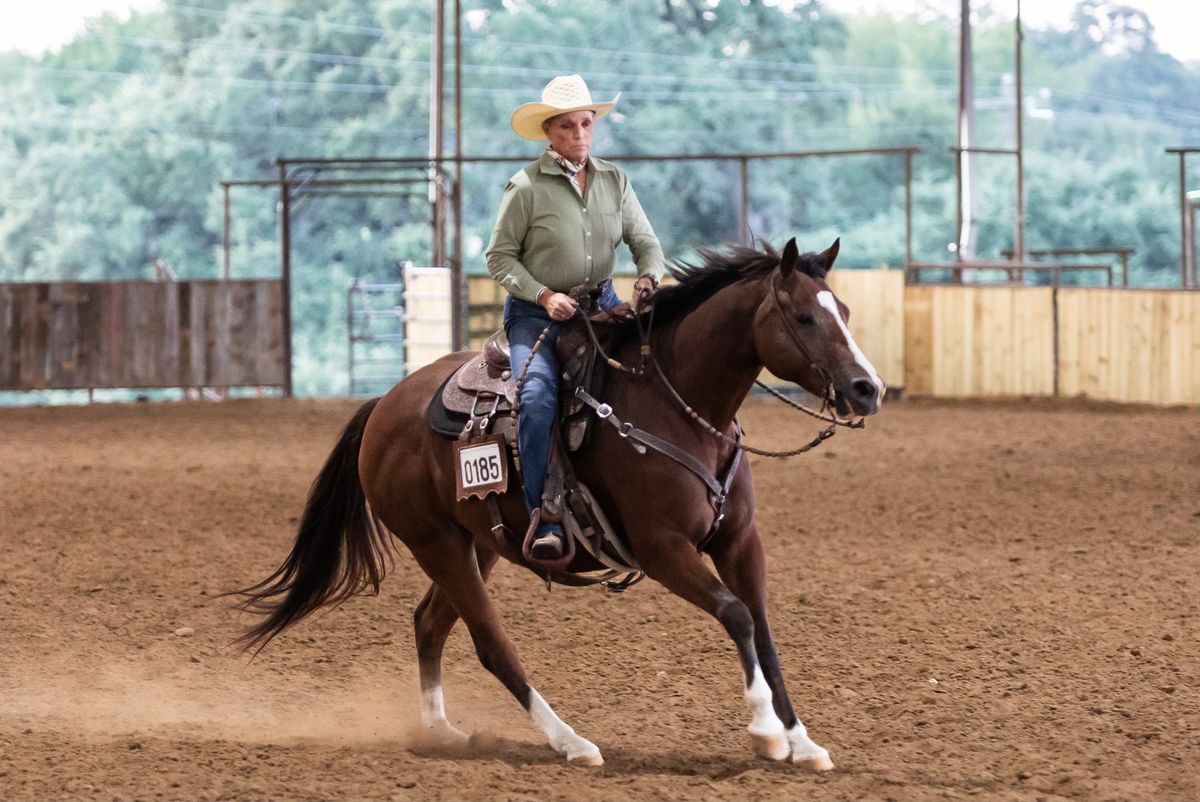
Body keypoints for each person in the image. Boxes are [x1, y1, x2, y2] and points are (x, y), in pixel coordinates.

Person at [485, 74, 664, 560]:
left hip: (602, 307)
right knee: (538, 397)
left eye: (586, 124)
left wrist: (648, 276)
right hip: (536, 316)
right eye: (568, 126)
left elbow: (645, 242)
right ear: (549, 132)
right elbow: (499, 258)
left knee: (651, 375)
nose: (580, 134)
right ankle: (547, 514)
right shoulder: (525, 187)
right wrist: (542, 296)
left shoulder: (614, 180)